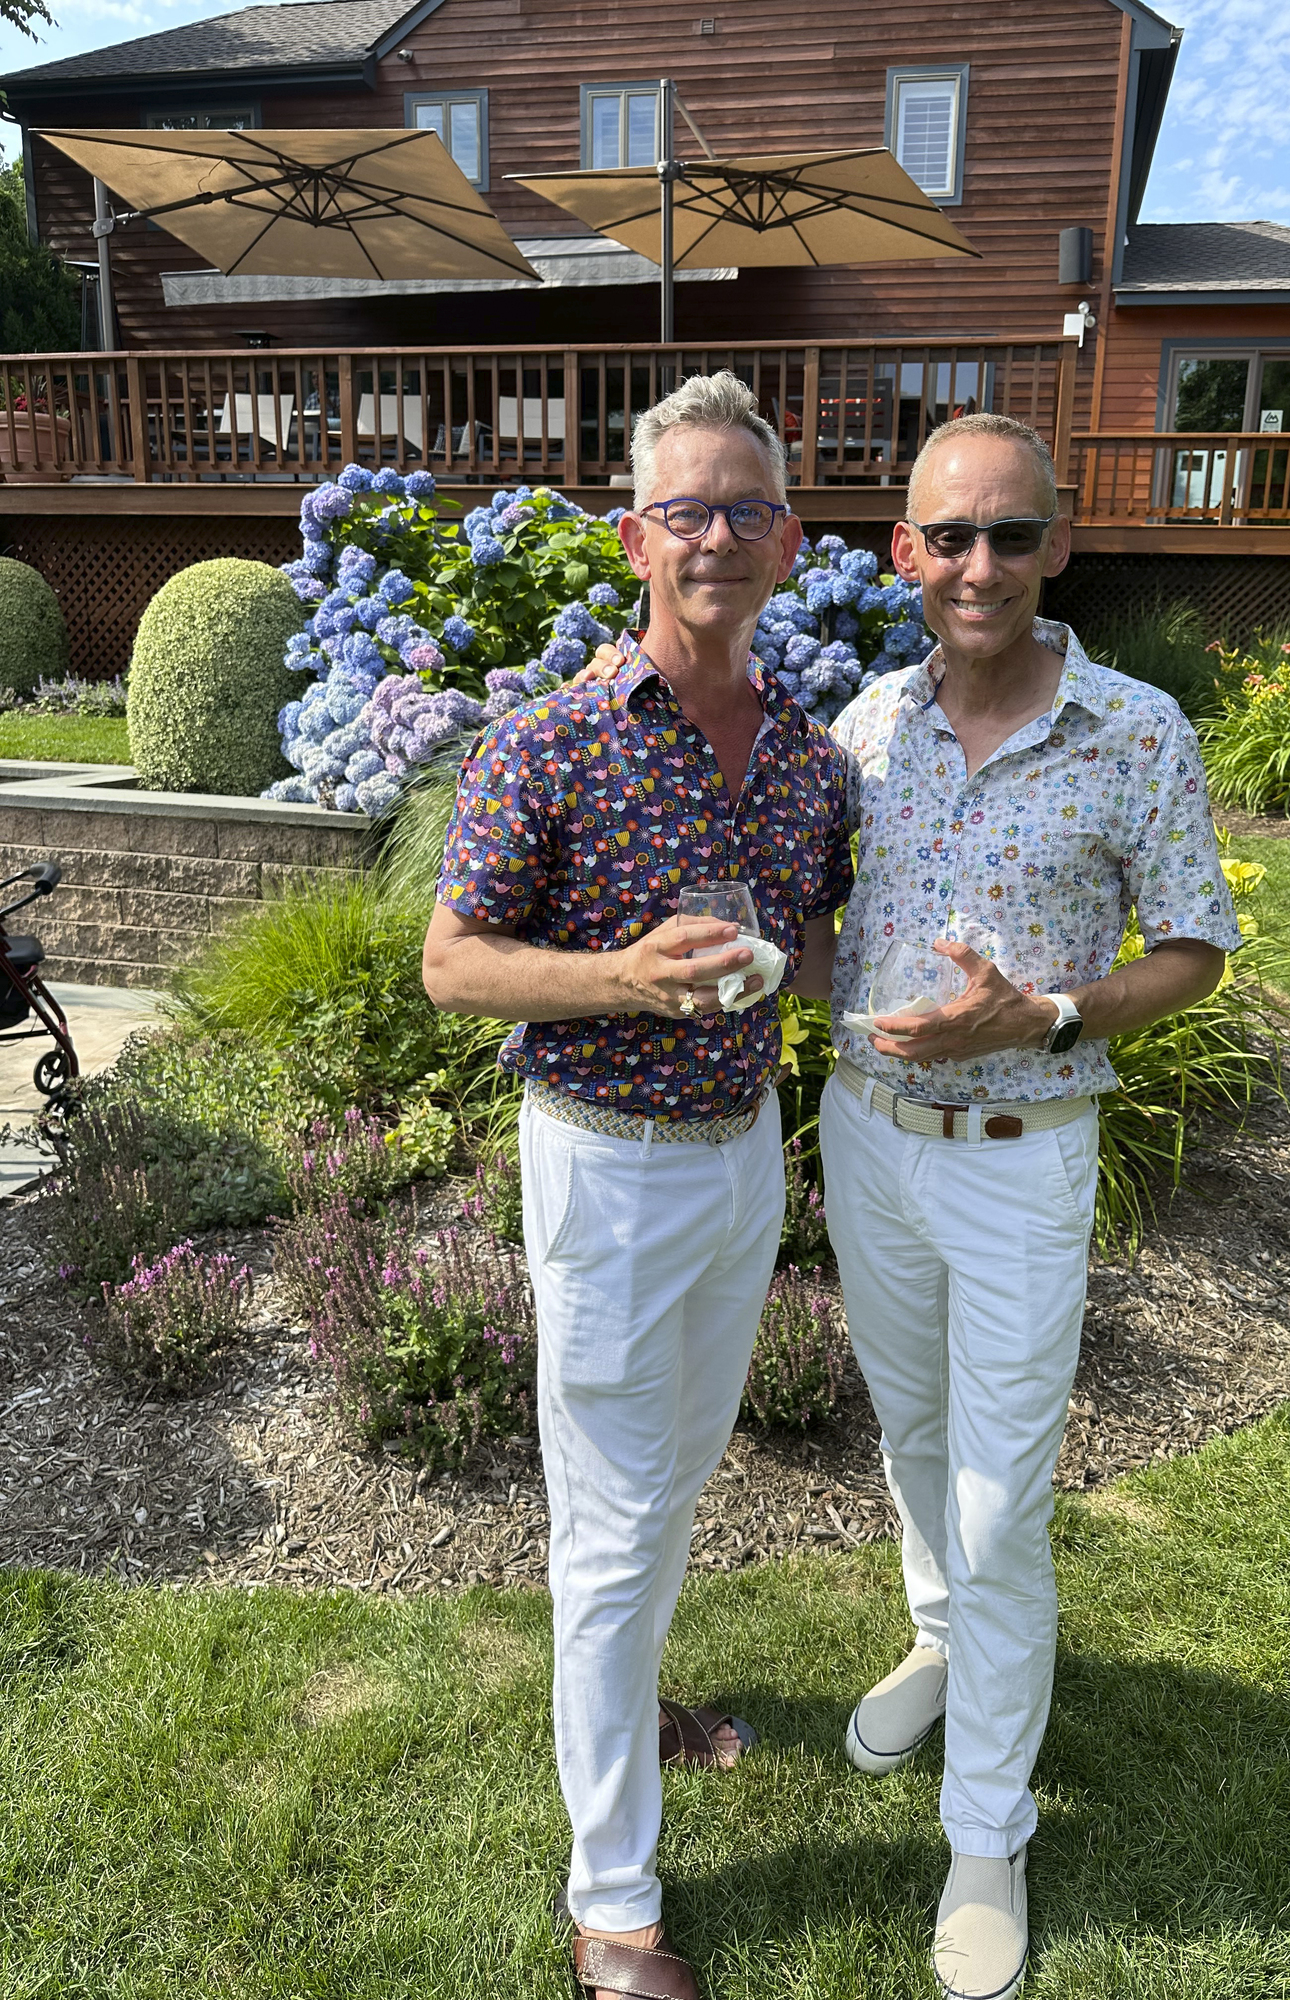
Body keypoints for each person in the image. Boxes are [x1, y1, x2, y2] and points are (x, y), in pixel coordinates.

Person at [422, 371, 851, 2000]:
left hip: (741, 1161)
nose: (719, 535)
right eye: (687, 508)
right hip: (604, 1170)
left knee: (671, 1476)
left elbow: (806, 945)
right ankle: (612, 1906)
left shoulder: (809, 755)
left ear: (791, 539)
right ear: (636, 536)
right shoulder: (553, 740)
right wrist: (624, 979)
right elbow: (453, 966)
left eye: (748, 506)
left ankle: (641, 1701)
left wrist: (835, 977)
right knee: (605, 1529)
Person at [819, 411, 1242, 1997]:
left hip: (1021, 1155)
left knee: (1005, 1502)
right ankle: (939, 1639)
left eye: (1009, 534)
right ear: (905, 553)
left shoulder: (1137, 729)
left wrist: (1044, 1014)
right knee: (912, 1439)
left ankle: (985, 1830)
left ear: (1057, 544)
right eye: (948, 537)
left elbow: (1194, 948)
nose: (976, 565)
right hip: (869, 1140)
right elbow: (809, 917)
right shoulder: (865, 728)